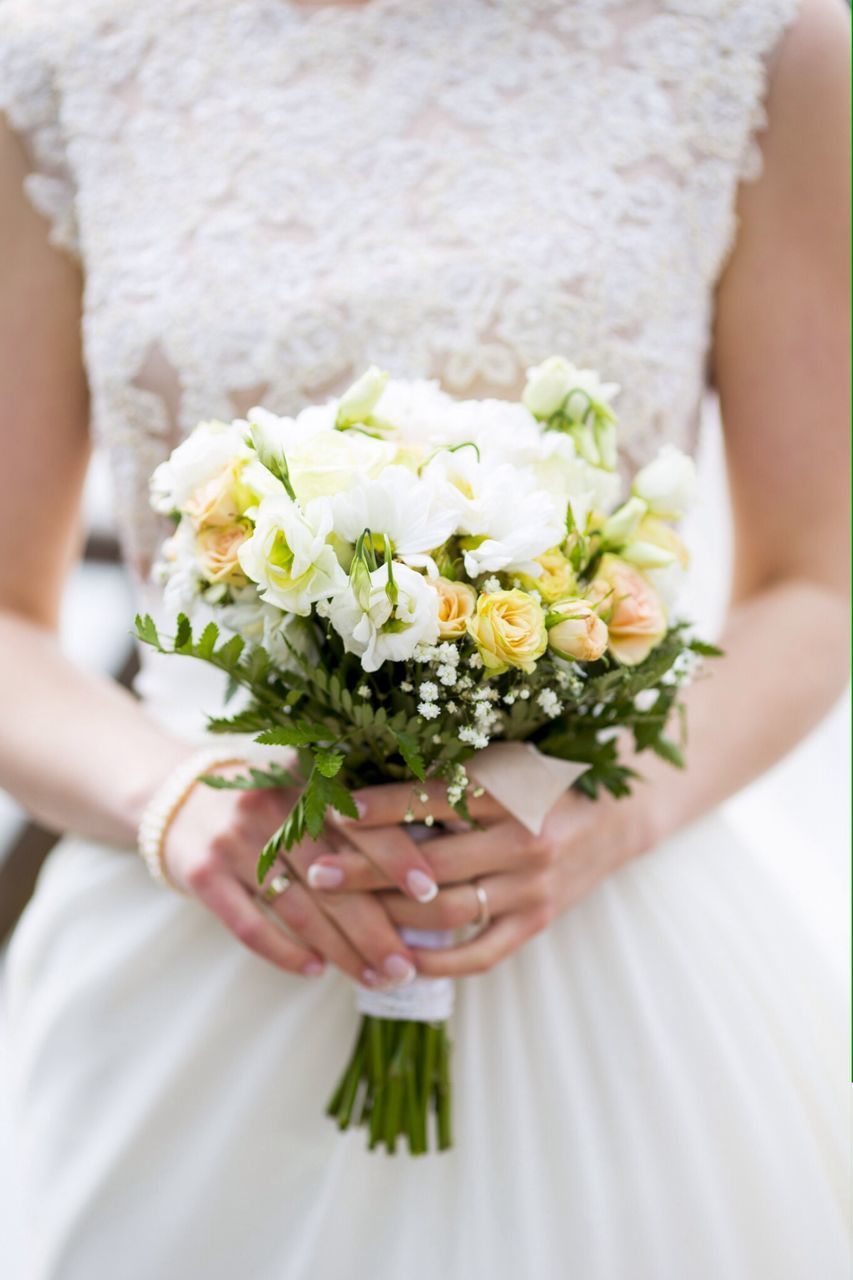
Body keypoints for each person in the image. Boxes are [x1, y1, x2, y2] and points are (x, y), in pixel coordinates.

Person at [0, 1, 849, 1276]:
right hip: (201, 938)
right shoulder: (65, 57)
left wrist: (603, 812)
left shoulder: (758, 46)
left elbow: (813, 582)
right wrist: (175, 797)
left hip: (603, 927)